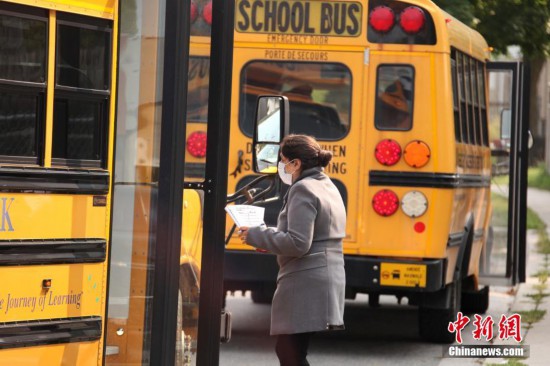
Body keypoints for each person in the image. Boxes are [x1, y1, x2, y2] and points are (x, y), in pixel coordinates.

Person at [238, 134, 347, 366]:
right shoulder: (328, 185)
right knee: (292, 351)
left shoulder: (303, 189)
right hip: (325, 275)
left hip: (307, 279)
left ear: (296, 163)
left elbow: (298, 242)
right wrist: (268, 240)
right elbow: (310, 235)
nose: (281, 166)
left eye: (283, 160)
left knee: (290, 352)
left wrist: (255, 234)